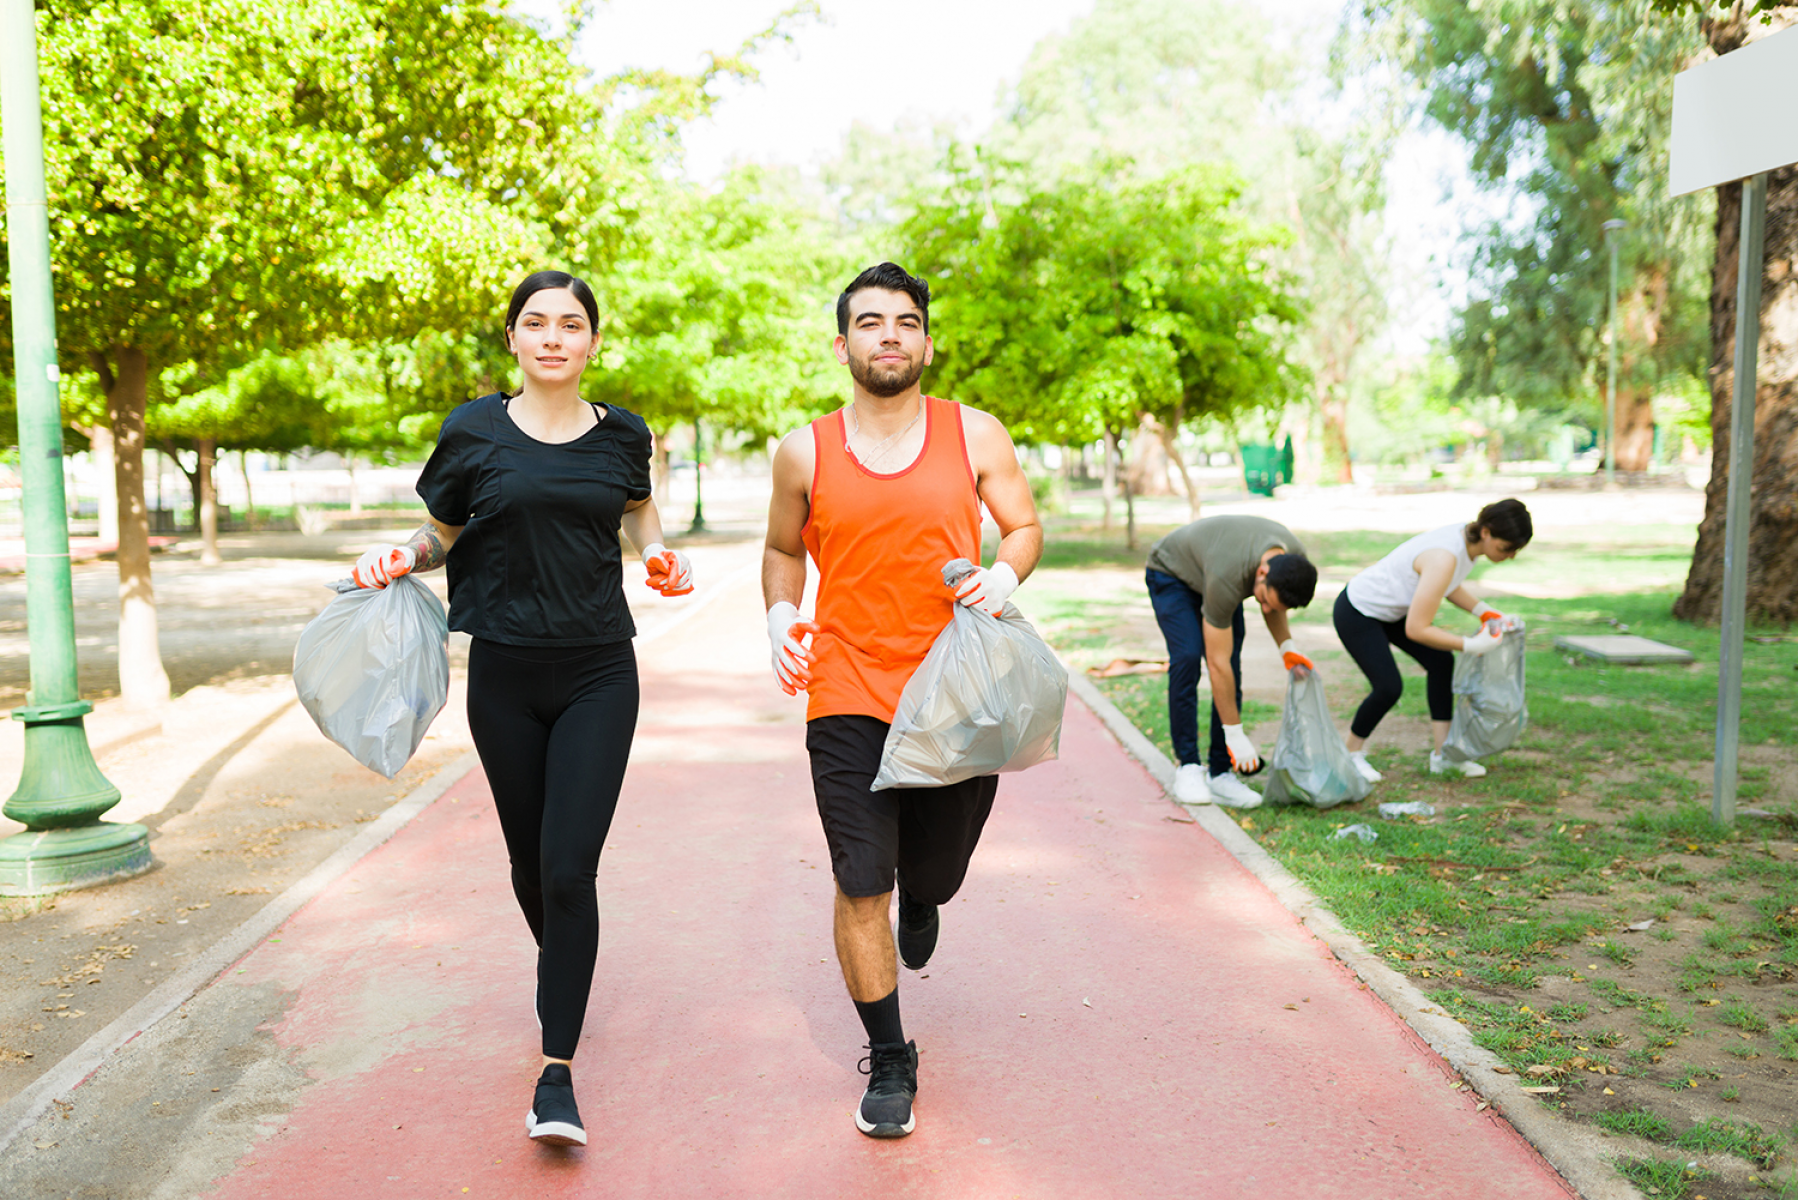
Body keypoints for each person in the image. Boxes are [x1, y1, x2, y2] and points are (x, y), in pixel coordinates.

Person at [348, 269, 692, 1149]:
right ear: (513, 339)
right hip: (501, 674)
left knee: (571, 870)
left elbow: (639, 515)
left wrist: (659, 557)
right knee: (531, 868)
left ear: (592, 343)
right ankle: (565, 968)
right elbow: (445, 533)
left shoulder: (623, 436)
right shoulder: (472, 430)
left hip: (597, 676)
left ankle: (556, 1073)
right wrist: (404, 553)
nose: (552, 337)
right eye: (535, 323)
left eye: (570, 324)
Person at [762, 262, 1043, 1140]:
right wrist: (779, 616)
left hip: (958, 691)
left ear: (926, 341)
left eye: (907, 322)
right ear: (841, 343)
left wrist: (1002, 573)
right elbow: (781, 550)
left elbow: (1024, 527)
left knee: (935, 874)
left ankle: (925, 896)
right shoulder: (804, 449)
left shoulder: (976, 434)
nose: (891, 334)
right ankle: (890, 1056)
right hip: (845, 689)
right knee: (858, 880)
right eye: (872, 322)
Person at [1332, 498, 1532, 782]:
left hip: (1394, 610)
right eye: (1506, 548)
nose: (1510, 555)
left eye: (1516, 550)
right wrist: (1470, 645)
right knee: (1388, 687)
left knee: (1440, 662)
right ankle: (1349, 755)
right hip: (1358, 611)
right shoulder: (1445, 555)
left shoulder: (1466, 542)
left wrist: (1484, 611)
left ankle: (1444, 756)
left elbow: (1446, 584)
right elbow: (1417, 628)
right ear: (1487, 532)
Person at [1145, 514, 1319, 808]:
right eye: (1261, 599)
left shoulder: (1293, 561)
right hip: (1171, 572)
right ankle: (1188, 766)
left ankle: (1220, 773)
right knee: (1189, 658)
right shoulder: (1229, 574)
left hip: (1212, 571)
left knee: (1233, 664)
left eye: (1268, 604)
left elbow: (1274, 606)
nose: (1263, 607)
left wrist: (1287, 649)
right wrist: (1236, 735)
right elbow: (1216, 664)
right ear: (1262, 572)